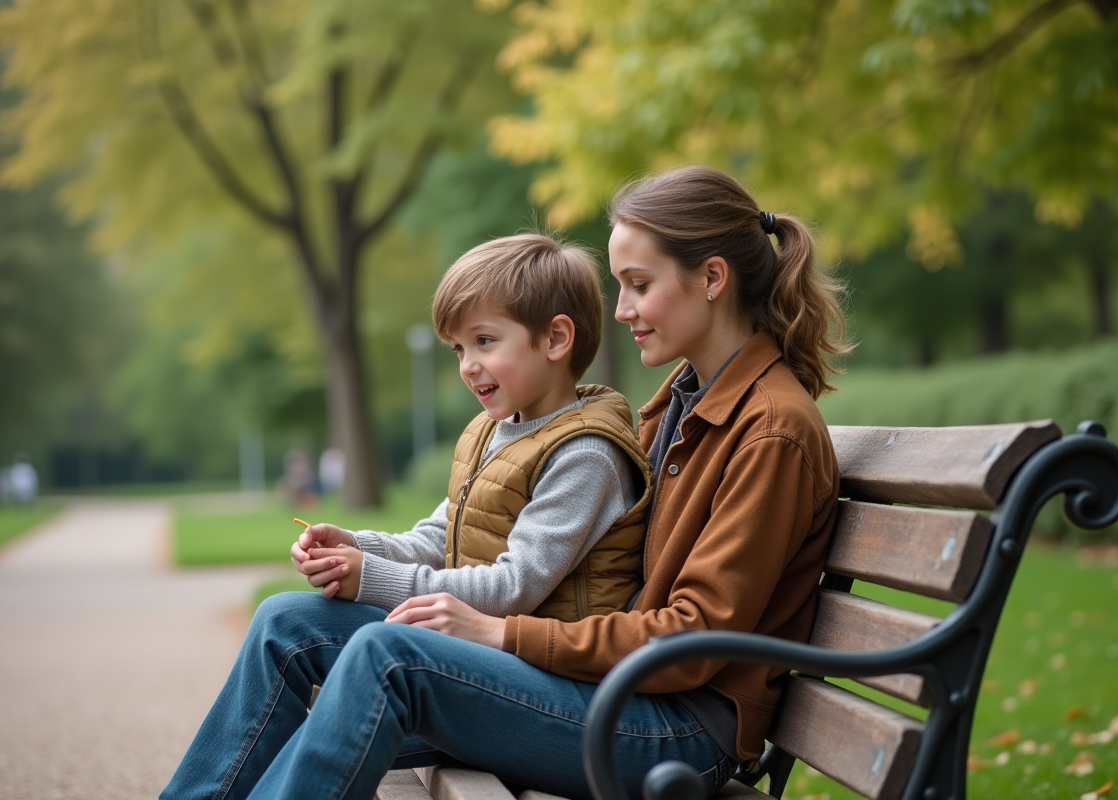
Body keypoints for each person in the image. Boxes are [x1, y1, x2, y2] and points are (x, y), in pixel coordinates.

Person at [161, 166, 850, 800]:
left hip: (672, 731)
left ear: (712, 278)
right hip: (612, 689)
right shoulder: (683, 401)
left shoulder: (771, 432)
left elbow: (695, 638)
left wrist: (502, 635)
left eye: (640, 284)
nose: (620, 310)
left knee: (389, 657)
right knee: (289, 622)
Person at [288, 233, 651, 620]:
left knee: (382, 646)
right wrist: (356, 549)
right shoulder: (488, 432)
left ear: (555, 338)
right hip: (480, 642)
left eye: (484, 340)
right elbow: (440, 538)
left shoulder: (585, 454)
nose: (467, 366)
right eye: (459, 348)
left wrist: (371, 578)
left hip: (549, 666)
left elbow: (511, 589)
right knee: (287, 616)